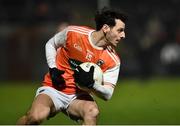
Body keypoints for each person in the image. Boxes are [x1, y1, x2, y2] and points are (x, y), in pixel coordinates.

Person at [17, 7, 128, 125]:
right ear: (105, 28)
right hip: (54, 88)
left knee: (92, 112)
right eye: (120, 30)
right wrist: (53, 68)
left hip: (79, 96)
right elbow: (51, 44)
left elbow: (108, 94)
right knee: (35, 117)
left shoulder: (113, 60)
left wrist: (93, 85)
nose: (123, 35)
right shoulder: (73, 33)